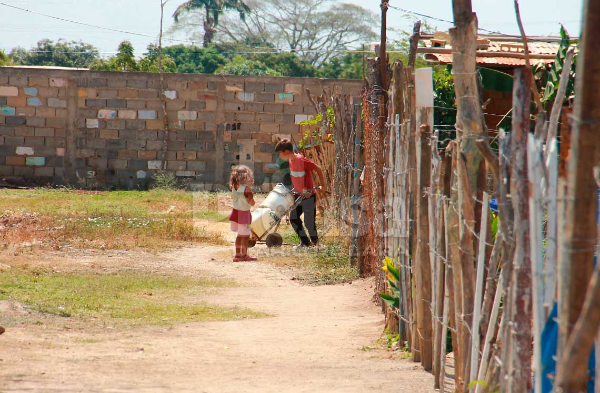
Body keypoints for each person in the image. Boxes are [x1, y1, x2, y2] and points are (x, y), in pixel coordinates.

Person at [274, 139, 327, 249]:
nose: (280, 156)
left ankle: (316, 245)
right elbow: (297, 177)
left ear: (286, 152)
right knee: (294, 219)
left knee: (309, 222)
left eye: (280, 153)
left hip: (308, 196)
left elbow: (317, 169)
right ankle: (306, 243)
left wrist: (323, 185)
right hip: (299, 196)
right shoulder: (290, 161)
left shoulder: (301, 160)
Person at [228, 165, 257, 262]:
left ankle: (237, 255)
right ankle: (244, 255)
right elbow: (251, 203)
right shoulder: (247, 189)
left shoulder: (234, 187)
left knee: (239, 235)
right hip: (244, 214)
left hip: (235, 213)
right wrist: (252, 197)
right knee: (245, 235)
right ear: (246, 176)